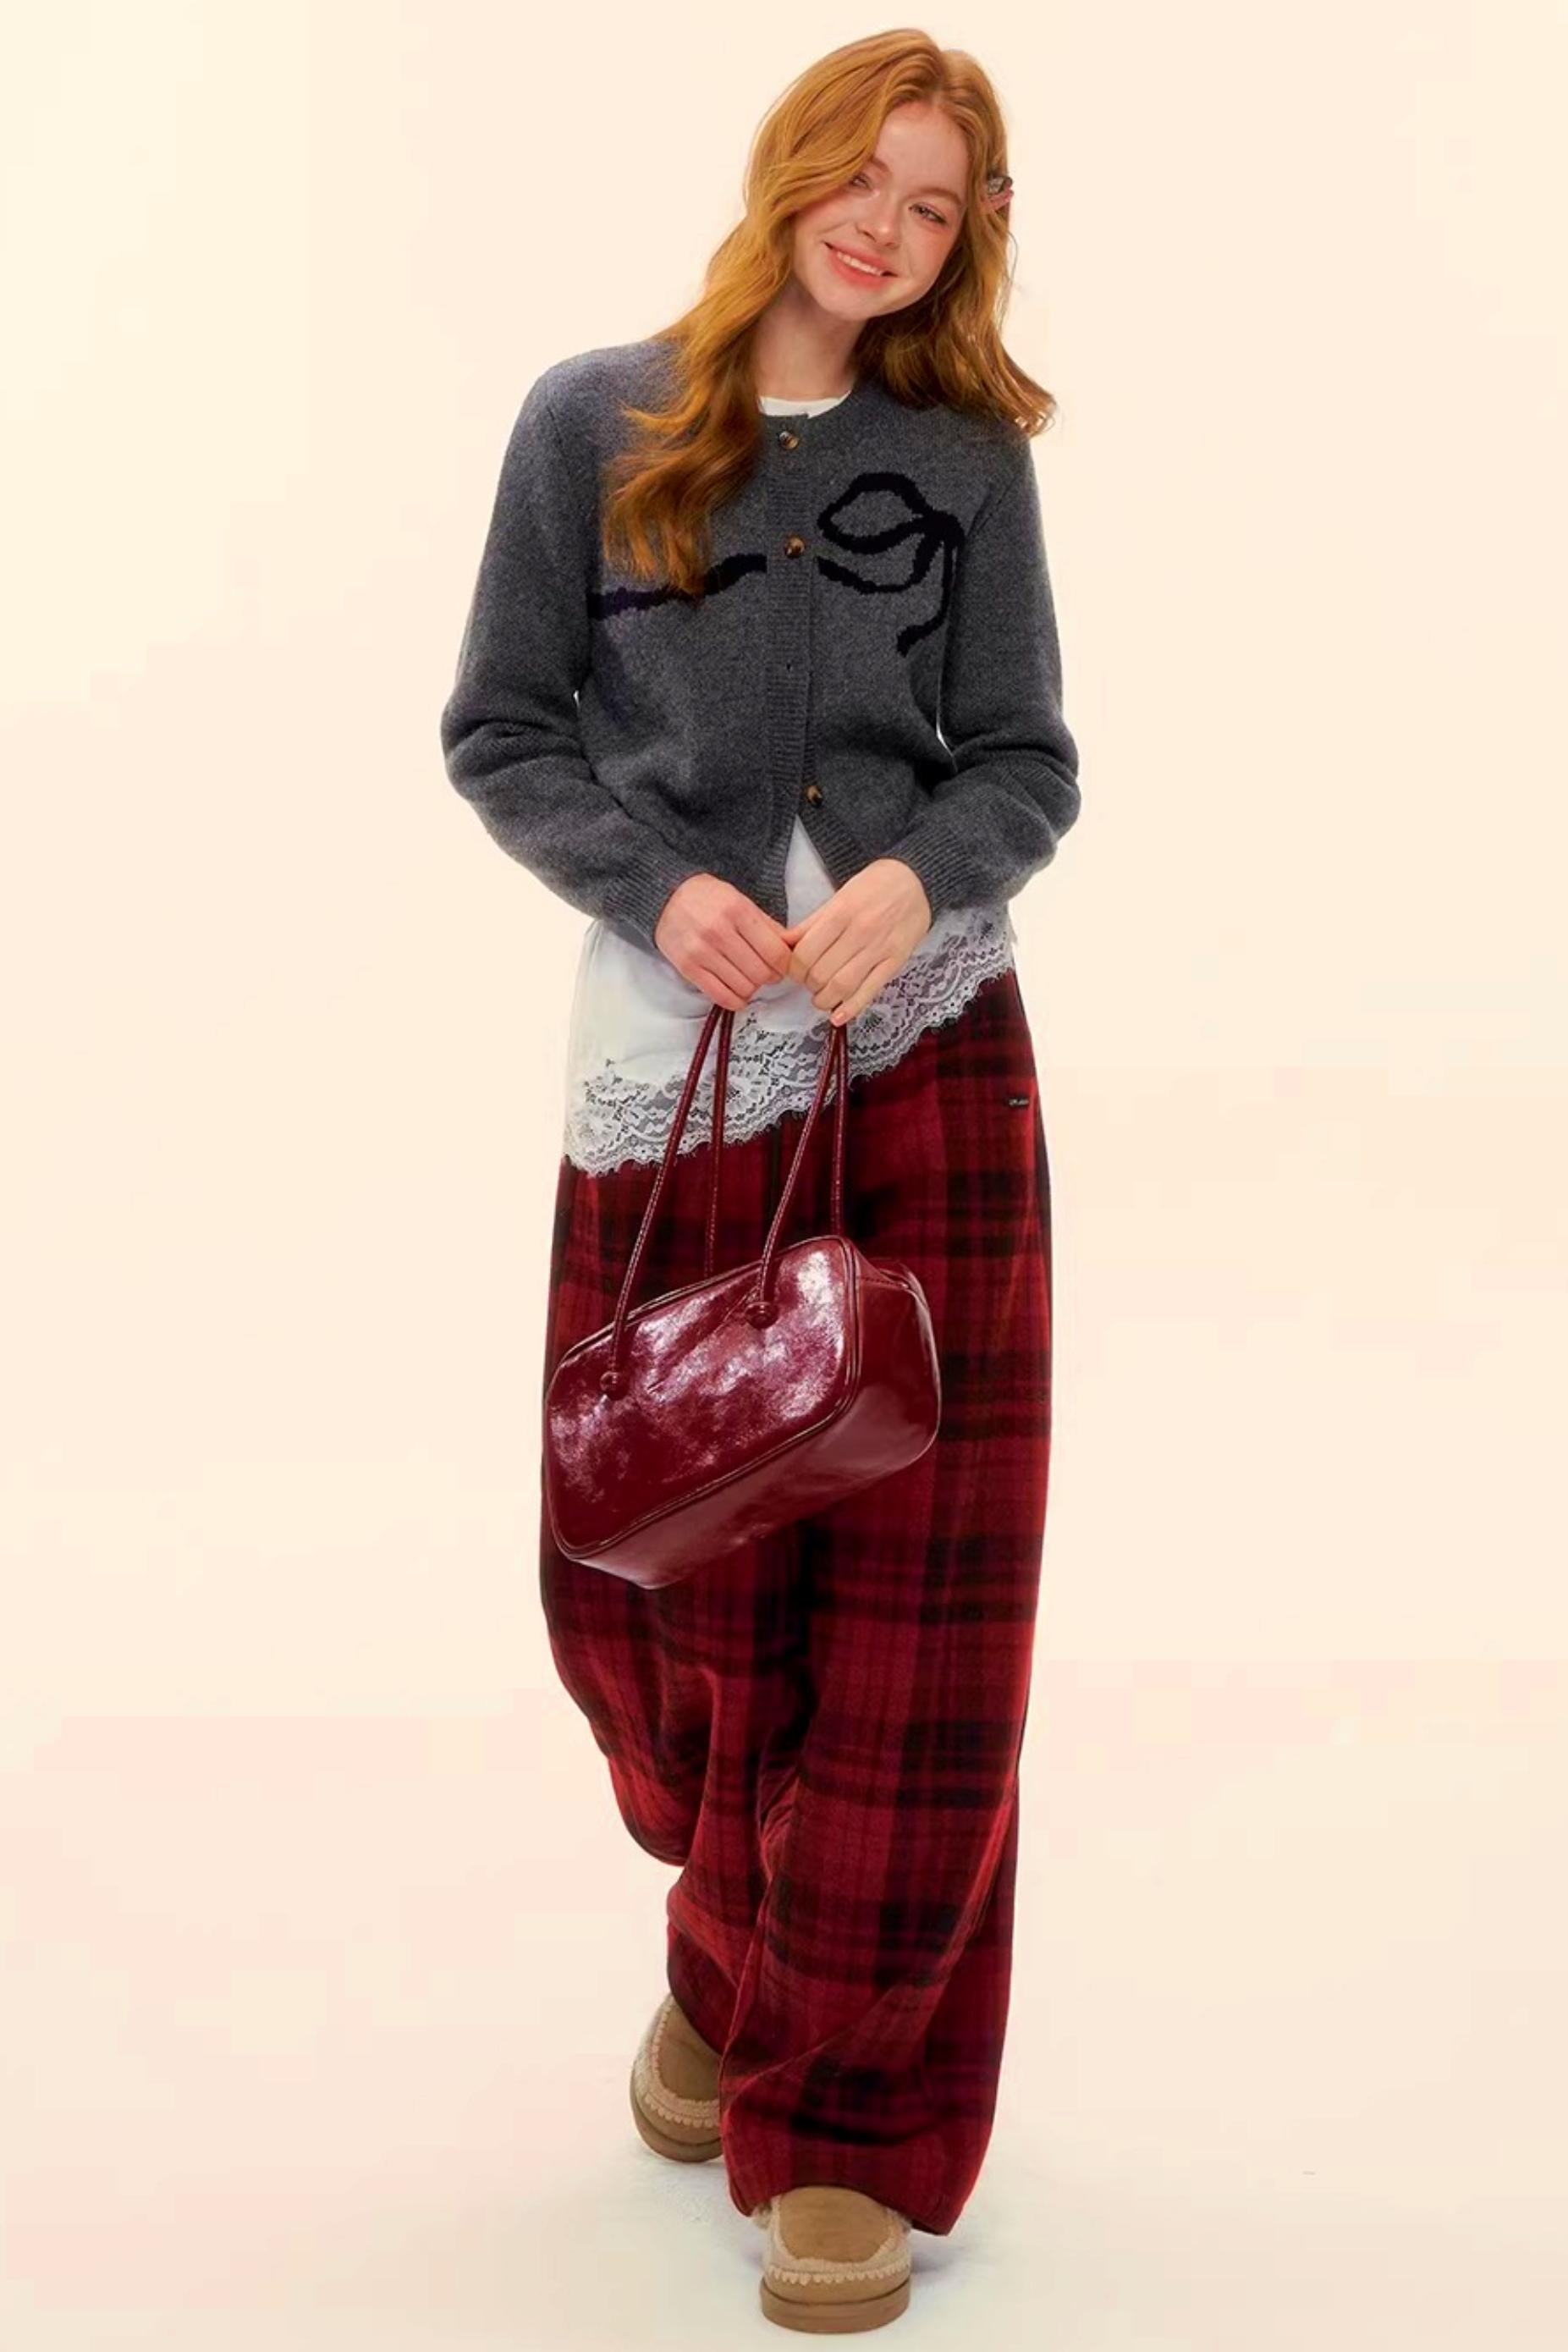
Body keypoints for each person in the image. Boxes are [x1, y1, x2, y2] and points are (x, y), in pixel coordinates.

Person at [438, 30, 1081, 2333]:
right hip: (678, 1077)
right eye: (862, 179)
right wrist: (650, 882)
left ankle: (850, 2126)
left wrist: (926, 872)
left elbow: (1027, 758)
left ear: (966, 236)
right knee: (667, 1606)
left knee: (920, 1624)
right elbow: (500, 725)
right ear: (790, 167)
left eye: (936, 203)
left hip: (926, 1067)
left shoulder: (967, 457)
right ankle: (730, 1959)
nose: (885, 229)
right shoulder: (591, 423)